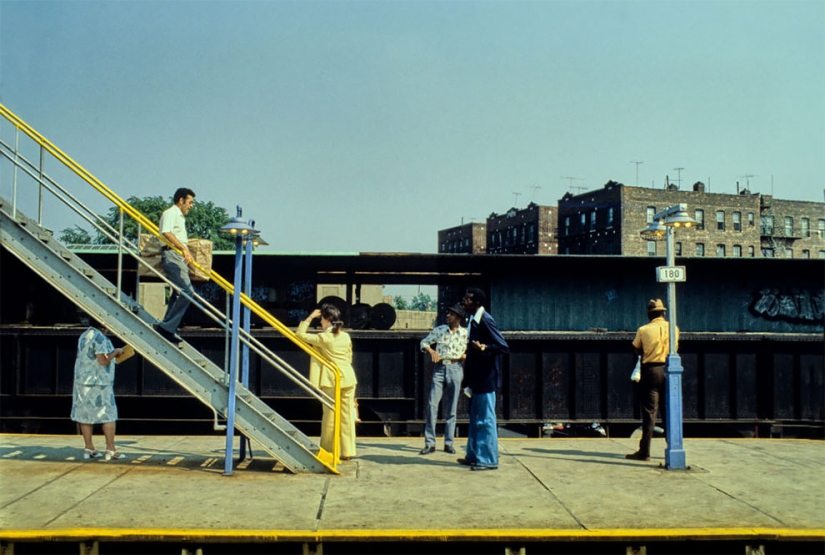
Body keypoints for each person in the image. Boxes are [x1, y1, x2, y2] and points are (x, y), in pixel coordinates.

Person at [296, 304, 358, 461]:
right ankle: (347, 451)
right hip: (349, 378)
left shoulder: (324, 338)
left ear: (327, 320)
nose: (320, 322)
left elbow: (300, 335)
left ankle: (329, 450)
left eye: (322, 319)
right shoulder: (345, 336)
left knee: (330, 416)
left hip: (332, 380)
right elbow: (349, 356)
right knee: (346, 416)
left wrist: (310, 317)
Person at [457, 287, 509, 471]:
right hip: (476, 378)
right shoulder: (473, 319)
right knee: (475, 418)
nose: (464, 301)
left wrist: (484, 348)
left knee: (486, 419)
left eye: (468, 299)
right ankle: (473, 455)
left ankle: (487, 460)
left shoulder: (486, 320)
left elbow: (503, 346)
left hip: (486, 378)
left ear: (477, 303)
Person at [626, 298, 679, 462]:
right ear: (663, 313)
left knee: (650, 412)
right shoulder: (674, 328)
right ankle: (673, 446)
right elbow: (676, 348)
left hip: (651, 371)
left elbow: (636, 348)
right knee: (669, 410)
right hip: (669, 370)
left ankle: (645, 451)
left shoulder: (643, 330)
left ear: (649, 314)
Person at [71, 319, 127, 461]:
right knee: (108, 415)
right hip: (99, 383)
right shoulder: (100, 337)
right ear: (103, 326)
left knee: (85, 416)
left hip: (82, 381)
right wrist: (116, 352)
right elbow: (103, 360)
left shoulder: (84, 335)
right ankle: (110, 449)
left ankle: (89, 447)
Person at [418, 303, 469, 455]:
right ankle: (430, 443)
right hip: (440, 368)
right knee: (432, 405)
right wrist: (431, 350)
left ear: (458, 318)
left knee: (452, 407)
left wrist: (465, 356)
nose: (448, 316)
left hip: (455, 367)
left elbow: (472, 349)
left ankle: (449, 443)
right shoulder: (440, 330)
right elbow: (424, 342)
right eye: (448, 313)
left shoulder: (465, 333)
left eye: (451, 314)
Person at [153, 187, 196, 343]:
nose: (191, 206)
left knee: (178, 293)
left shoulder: (179, 216)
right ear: (181, 200)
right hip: (173, 254)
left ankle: (167, 326)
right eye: (190, 202)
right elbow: (166, 232)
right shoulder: (171, 213)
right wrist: (184, 249)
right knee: (187, 291)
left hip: (177, 255)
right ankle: (167, 326)